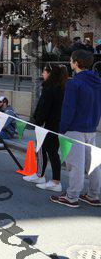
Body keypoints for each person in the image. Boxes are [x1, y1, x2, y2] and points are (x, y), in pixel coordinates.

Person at [51, 50, 101, 208]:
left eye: (71, 60)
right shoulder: (98, 82)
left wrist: (62, 129)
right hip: (91, 128)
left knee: (75, 164)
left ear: (76, 63)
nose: (70, 62)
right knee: (92, 164)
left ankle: (72, 197)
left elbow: (68, 108)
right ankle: (93, 195)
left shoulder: (73, 83)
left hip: (75, 128)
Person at [21, 65, 67, 191]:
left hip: (48, 125)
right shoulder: (61, 88)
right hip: (55, 125)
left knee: (49, 151)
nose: (42, 74)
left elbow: (44, 108)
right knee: (45, 150)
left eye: (44, 72)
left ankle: (53, 181)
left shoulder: (50, 89)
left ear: (50, 74)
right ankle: (41, 175)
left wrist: (38, 121)